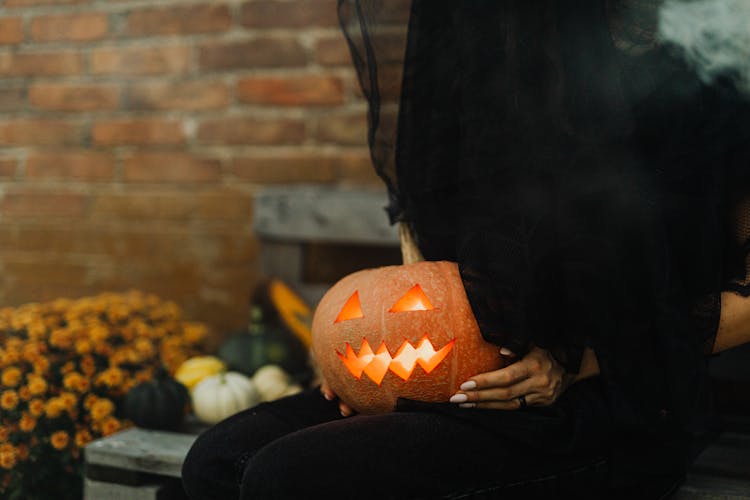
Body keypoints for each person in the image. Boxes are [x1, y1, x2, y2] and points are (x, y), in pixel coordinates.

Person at [181, 1, 750, 498]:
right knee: (218, 463)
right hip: (459, 384)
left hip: (613, 401)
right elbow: (428, 252)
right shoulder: (484, 67)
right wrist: (360, 364)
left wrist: (578, 362)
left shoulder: (710, 66)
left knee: (285, 478)